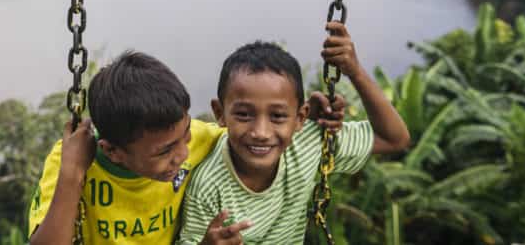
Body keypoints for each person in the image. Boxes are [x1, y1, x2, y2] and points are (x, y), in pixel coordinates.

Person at [28, 51, 344, 244]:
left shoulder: (201, 137)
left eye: (185, 135)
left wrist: (298, 121)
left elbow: (256, 137)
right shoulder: (71, 160)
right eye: (164, 152)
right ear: (113, 151)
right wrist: (72, 173)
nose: (181, 154)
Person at [176, 23, 411, 244]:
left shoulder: (307, 144)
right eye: (244, 115)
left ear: (300, 117)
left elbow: (394, 139)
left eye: (277, 116)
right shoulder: (207, 187)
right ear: (220, 113)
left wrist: (355, 72)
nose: (261, 132)